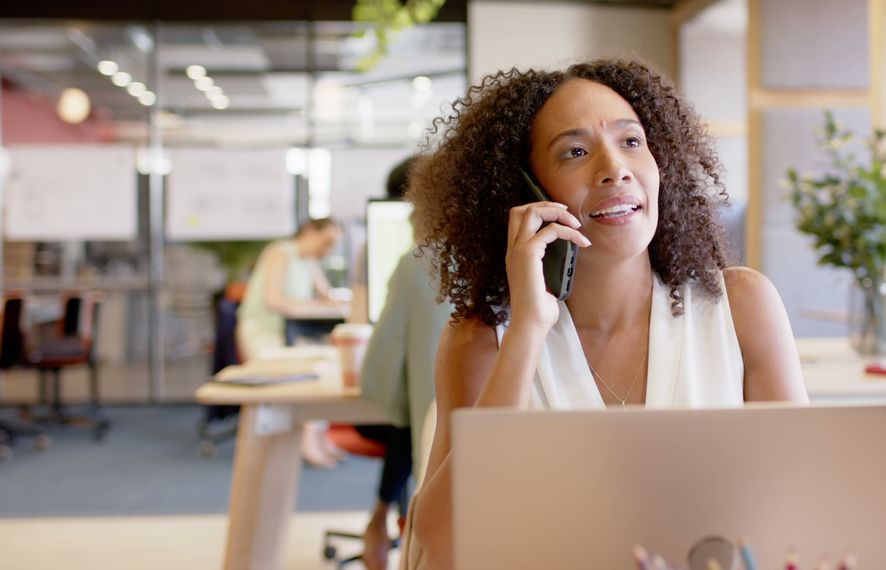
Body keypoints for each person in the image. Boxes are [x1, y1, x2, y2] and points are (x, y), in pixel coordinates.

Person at [403, 58, 809, 569]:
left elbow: (801, 513)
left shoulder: (742, 309)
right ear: (526, 191)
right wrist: (529, 328)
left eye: (631, 141)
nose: (615, 167)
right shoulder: (484, 340)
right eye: (575, 152)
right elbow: (440, 544)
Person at [351, 157, 454, 569]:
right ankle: (380, 519)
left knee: (405, 413)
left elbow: (378, 377)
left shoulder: (415, 264)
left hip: (431, 436)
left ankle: (378, 520)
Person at [237, 217, 349, 469]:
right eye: (326, 242)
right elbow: (274, 301)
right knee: (309, 370)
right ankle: (308, 441)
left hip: (290, 333)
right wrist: (318, 306)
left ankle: (318, 437)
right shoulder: (280, 252)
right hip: (264, 333)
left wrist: (334, 301)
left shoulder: (310, 260)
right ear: (309, 232)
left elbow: (327, 296)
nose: (327, 250)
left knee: (323, 367)